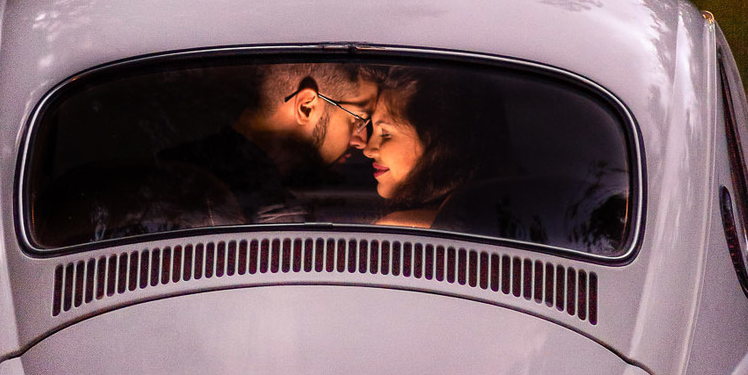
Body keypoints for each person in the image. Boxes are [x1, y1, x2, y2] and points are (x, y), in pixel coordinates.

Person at [164, 62, 378, 224]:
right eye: (357, 119)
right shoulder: (269, 210)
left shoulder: (175, 166)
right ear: (306, 106)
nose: (362, 141)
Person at [365, 66, 510, 227]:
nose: (367, 150)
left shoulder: (401, 228)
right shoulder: (501, 214)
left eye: (385, 134)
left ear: (438, 142)